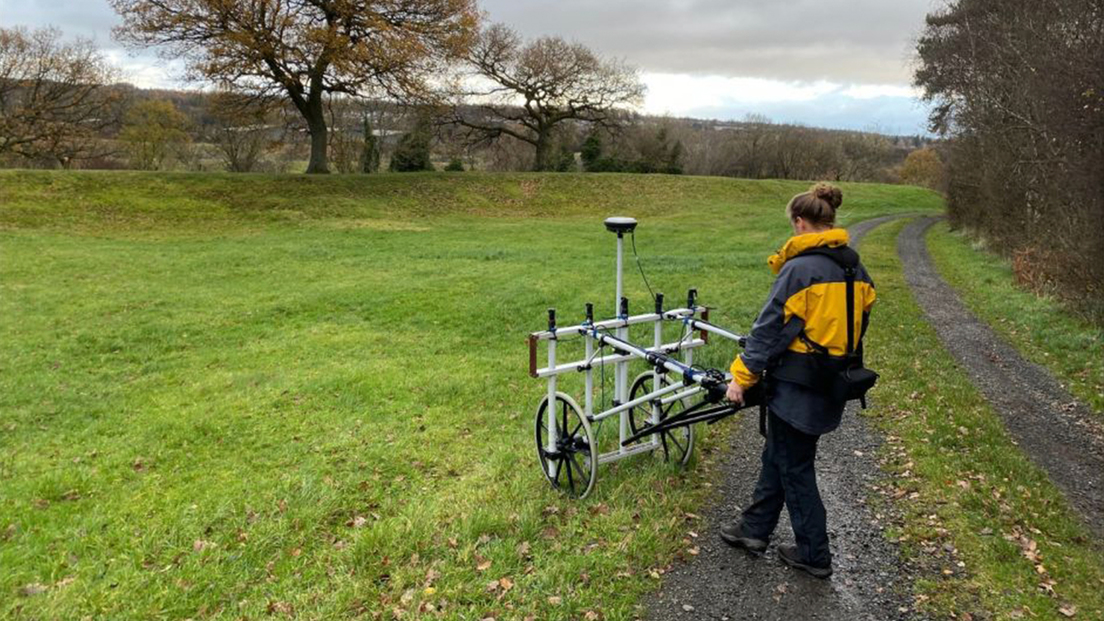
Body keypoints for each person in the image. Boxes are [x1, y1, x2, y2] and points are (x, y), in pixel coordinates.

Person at [719, 182, 875, 579]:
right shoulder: (854, 265)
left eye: (793, 226)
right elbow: (859, 321)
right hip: (833, 379)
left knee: (795, 467)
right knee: (781, 453)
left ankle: (813, 552)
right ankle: (754, 530)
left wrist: (741, 378)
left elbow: (769, 330)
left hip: (797, 384)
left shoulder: (800, 269)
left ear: (801, 222)